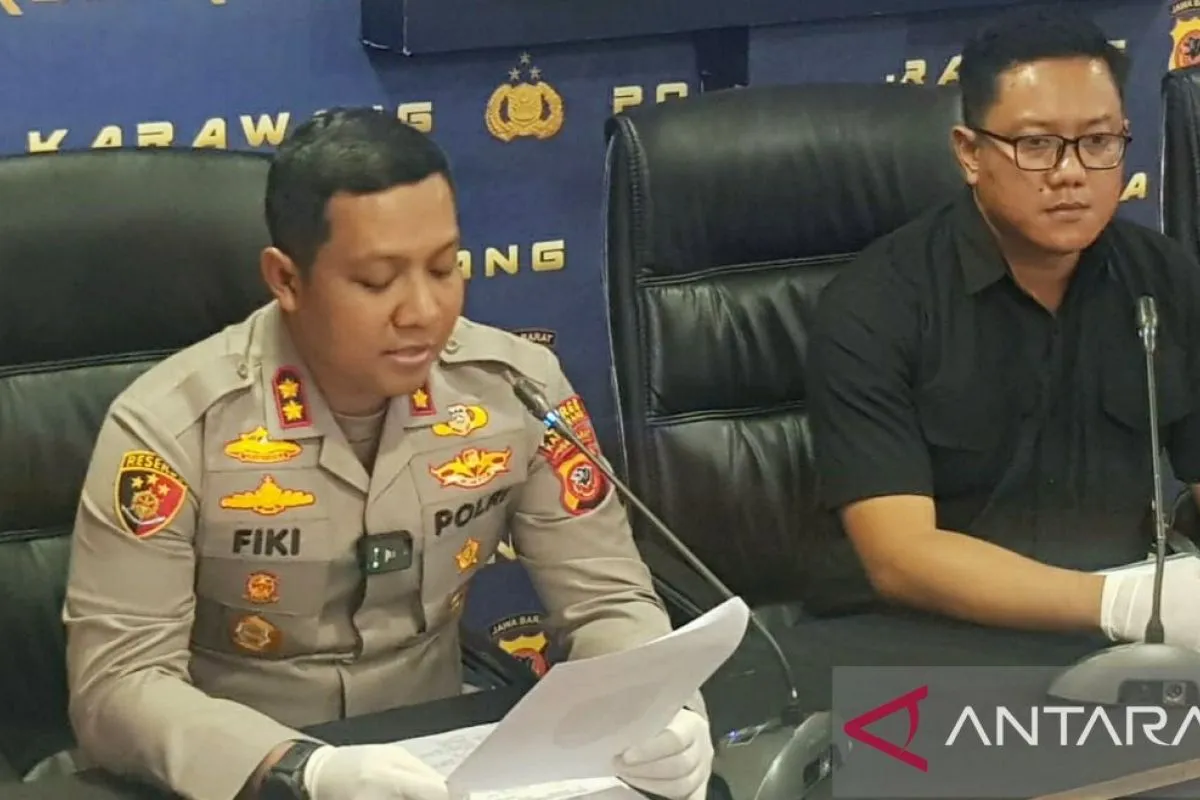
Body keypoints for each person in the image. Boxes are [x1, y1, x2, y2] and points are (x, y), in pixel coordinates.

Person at [63, 109, 713, 800]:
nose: (423, 311)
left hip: (443, 759)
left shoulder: (514, 390)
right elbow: (119, 684)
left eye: (443, 268)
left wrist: (660, 709)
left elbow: (606, 600)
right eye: (377, 282)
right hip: (239, 774)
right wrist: (303, 771)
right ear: (286, 280)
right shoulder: (171, 426)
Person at [806, 9, 1200, 650]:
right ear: (969, 152)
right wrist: (1119, 605)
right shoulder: (875, 304)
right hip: (924, 640)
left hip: (1123, 633)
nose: (1071, 172)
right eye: (1037, 145)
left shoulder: (1163, 278)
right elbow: (900, 557)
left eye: (1099, 141)